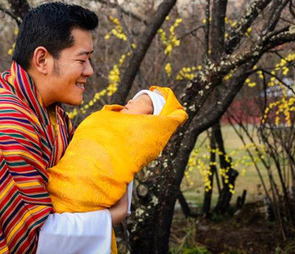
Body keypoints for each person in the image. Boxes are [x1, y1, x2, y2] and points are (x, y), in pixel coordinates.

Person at [0, 2, 128, 254]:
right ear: (42, 59)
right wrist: (111, 216)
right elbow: (34, 241)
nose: (90, 71)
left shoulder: (50, 114)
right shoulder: (7, 125)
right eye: (82, 59)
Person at [45, 87, 188, 254]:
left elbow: (117, 167)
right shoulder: (103, 119)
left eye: (141, 102)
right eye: (134, 98)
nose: (130, 101)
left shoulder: (134, 143)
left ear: (150, 120)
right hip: (56, 187)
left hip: (80, 200)